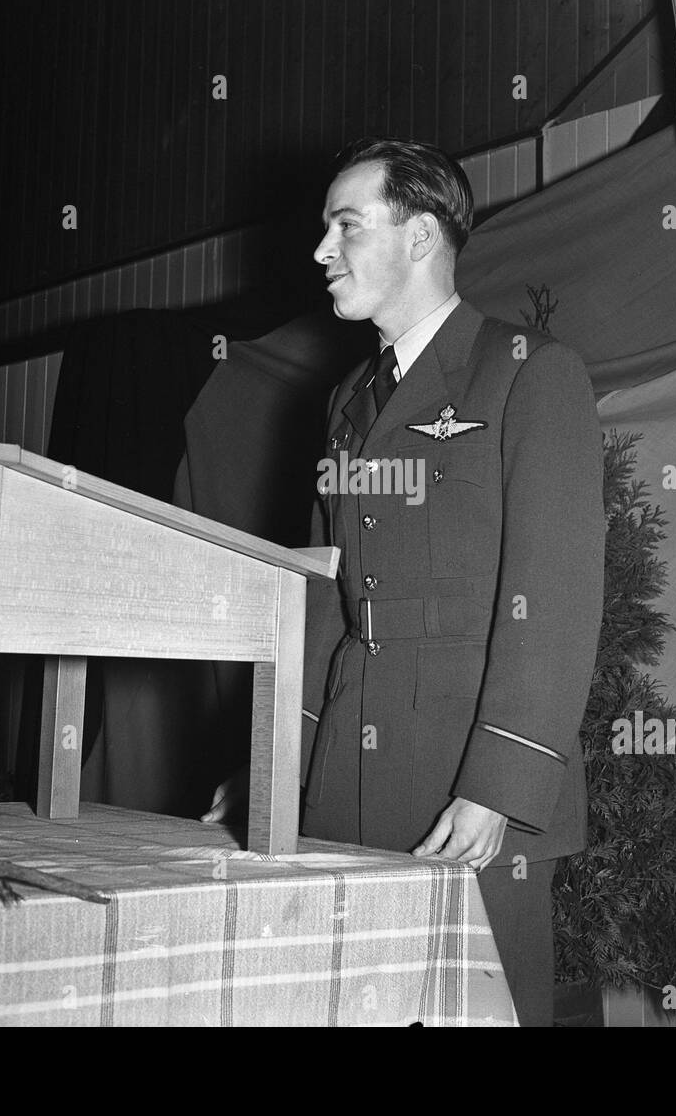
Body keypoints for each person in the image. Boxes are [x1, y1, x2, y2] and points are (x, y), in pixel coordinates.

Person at [204, 137, 605, 1026]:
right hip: (346, 769)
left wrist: (501, 782)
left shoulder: (529, 375)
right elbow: (323, 604)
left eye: (346, 226)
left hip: (467, 777)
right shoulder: (348, 403)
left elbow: (559, 594)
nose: (320, 251)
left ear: (422, 237)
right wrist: (277, 758)